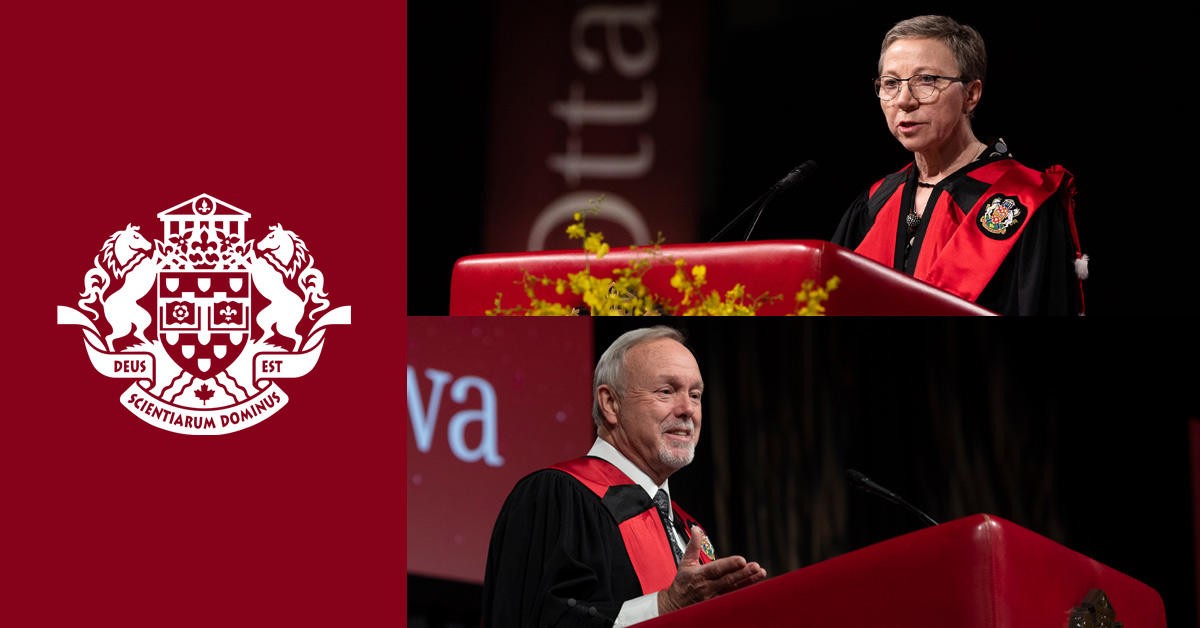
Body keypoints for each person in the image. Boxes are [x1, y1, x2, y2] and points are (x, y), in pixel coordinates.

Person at [482, 326, 767, 627]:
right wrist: (666, 605)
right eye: (666, 391)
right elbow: (535, 618)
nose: (687, 410)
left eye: (695, 395)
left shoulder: (689, 531)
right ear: (610, 404)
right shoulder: (557, 496)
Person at [832, 15, 1086, 315]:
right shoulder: (876, 200)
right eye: (890, 83)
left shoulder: (1026, 201)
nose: (904, 100)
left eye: (926, 80)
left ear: (971, 95)